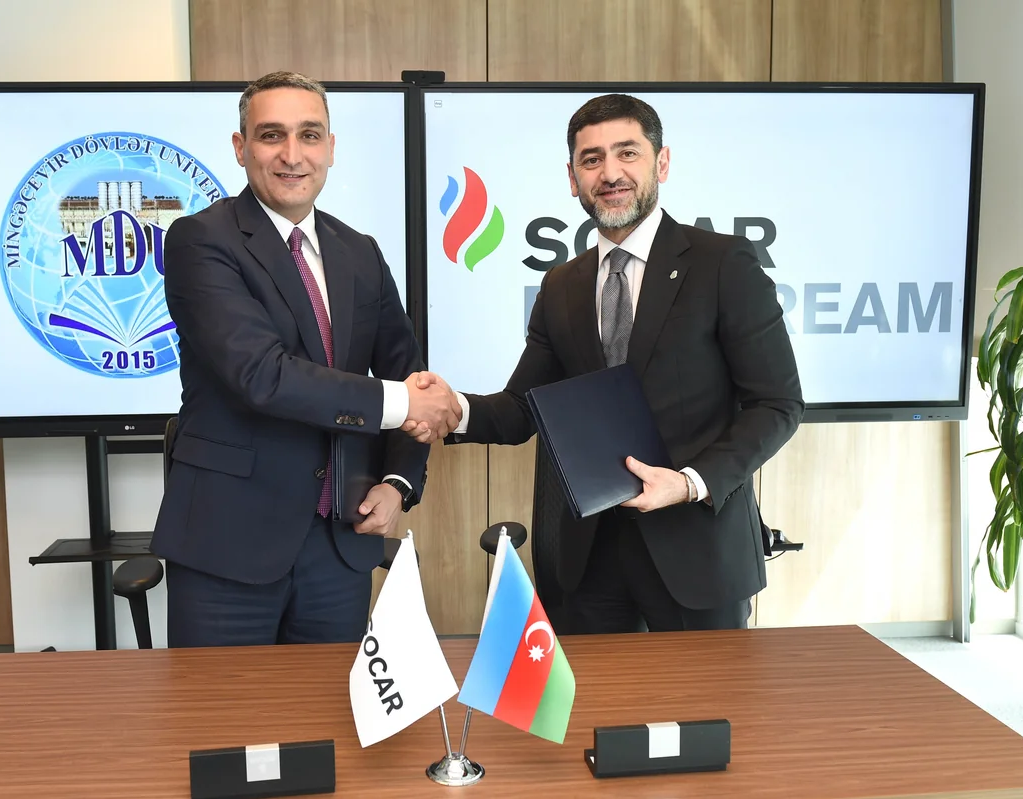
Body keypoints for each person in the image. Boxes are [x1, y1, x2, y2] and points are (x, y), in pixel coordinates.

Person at [409, 94, 803, 633]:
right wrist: (454, 409)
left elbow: (777, 405)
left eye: (627, 153)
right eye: (591, 159)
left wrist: (689, 482)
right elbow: (524, 408)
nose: (610, 173)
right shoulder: (562, 284)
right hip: (585, 559)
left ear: (662, 162)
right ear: (573, 178)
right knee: (589, 692)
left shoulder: (722, 264)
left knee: (704, 692)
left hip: (695, 549)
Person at [152, 71, 460, 647]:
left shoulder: (360, 252)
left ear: (331, 148)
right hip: (228, 543)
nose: (292, 155)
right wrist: (405, 402)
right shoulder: (200, 241)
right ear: (241, 147)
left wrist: (398, 482)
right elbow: (261, 376)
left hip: (340, 545)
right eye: (272, 135)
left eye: (309, 135)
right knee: (222, 704)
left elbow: (406, 374)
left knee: (328, 704)